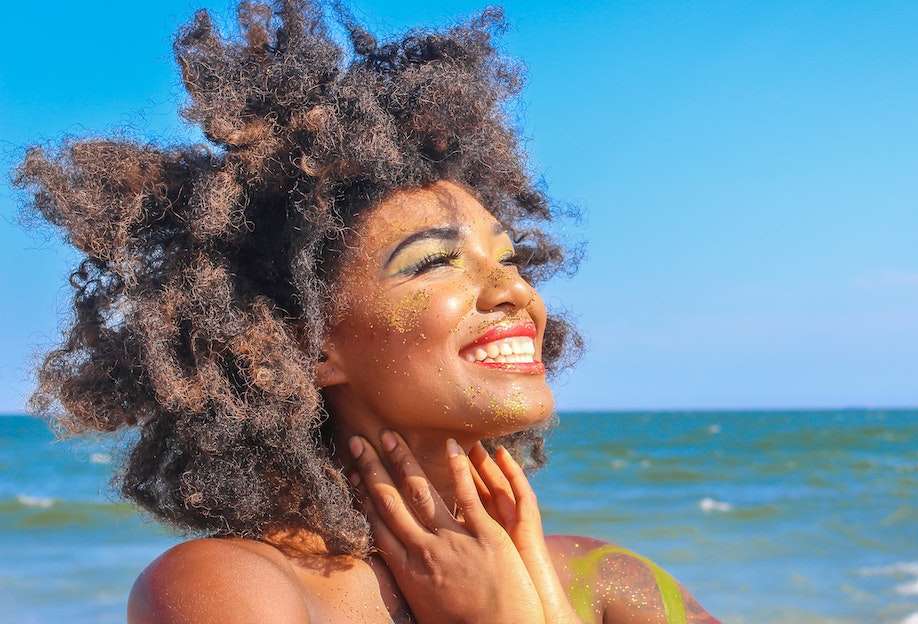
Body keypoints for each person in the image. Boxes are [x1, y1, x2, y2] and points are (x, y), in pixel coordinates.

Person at [12, 1, 720, 622]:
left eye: (508, 259)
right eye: (435, 261)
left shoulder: (608, 580)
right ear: (306, 343)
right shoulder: (234, 587)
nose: (513, 293)